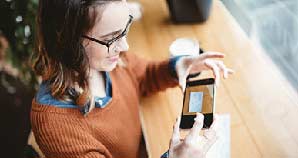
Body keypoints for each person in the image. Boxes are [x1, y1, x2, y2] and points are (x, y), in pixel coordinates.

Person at [31, 0, 234, 158]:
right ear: (67, 41)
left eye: (126, 28)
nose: (125, 46)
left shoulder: (107, 60)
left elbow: (143, 75)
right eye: (111, 38)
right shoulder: (57, 127)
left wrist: (177, 67)